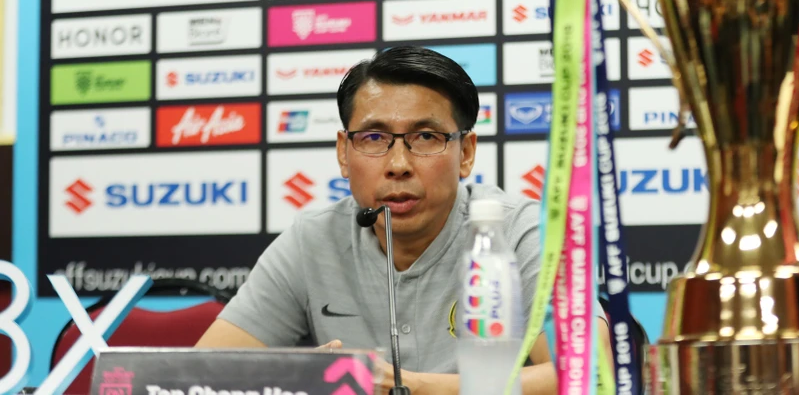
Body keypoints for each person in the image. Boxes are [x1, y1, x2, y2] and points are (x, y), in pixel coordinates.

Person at [195, 45, 611, 394]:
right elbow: (200, 377)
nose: (398, 165)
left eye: (425, 137)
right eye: (374, 138)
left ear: (466, 153)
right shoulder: (313, 240)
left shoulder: (516, 232)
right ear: (344, 153)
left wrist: (413, 387)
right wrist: (299, 379)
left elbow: (591, 374)